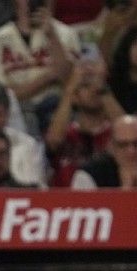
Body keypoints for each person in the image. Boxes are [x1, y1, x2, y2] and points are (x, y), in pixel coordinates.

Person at [0, 0, 84, 134]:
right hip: (14, 114)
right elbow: (1, 96)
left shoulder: (66, 34)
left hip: (57, 110)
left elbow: (71, 83)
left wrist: (51, 35)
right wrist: (49, 76)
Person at [45, 59, 121, 187]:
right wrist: (71, 87)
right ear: (74, 96)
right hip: (64, 202)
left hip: (106, 201)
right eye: (85, 86)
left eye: (96, 86)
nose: (93, 89)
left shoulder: (114, 133)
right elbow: (54, 141)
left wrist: (103, 87)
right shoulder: (66, 132)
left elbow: (128, 130)